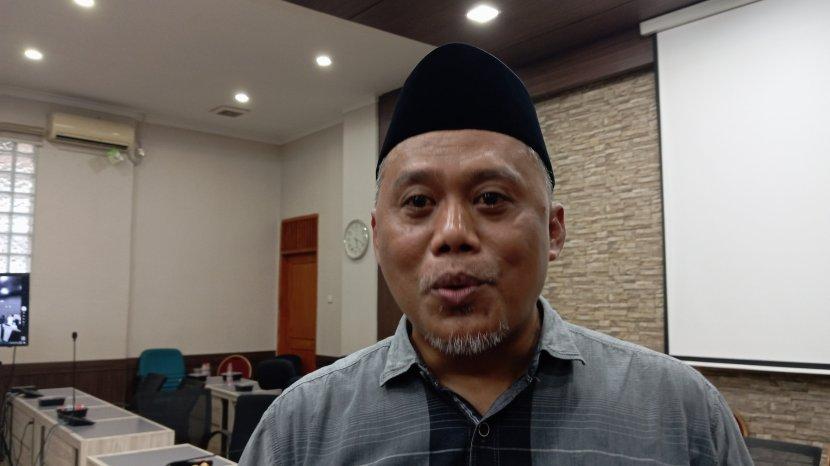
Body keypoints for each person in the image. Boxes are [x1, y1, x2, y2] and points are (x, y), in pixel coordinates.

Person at [241, 43, 752, 465]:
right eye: (418, 202)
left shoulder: (681, 416)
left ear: (553, 230)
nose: (453, 234)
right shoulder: (300, 431)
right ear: (378, 236)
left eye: (490, 198)